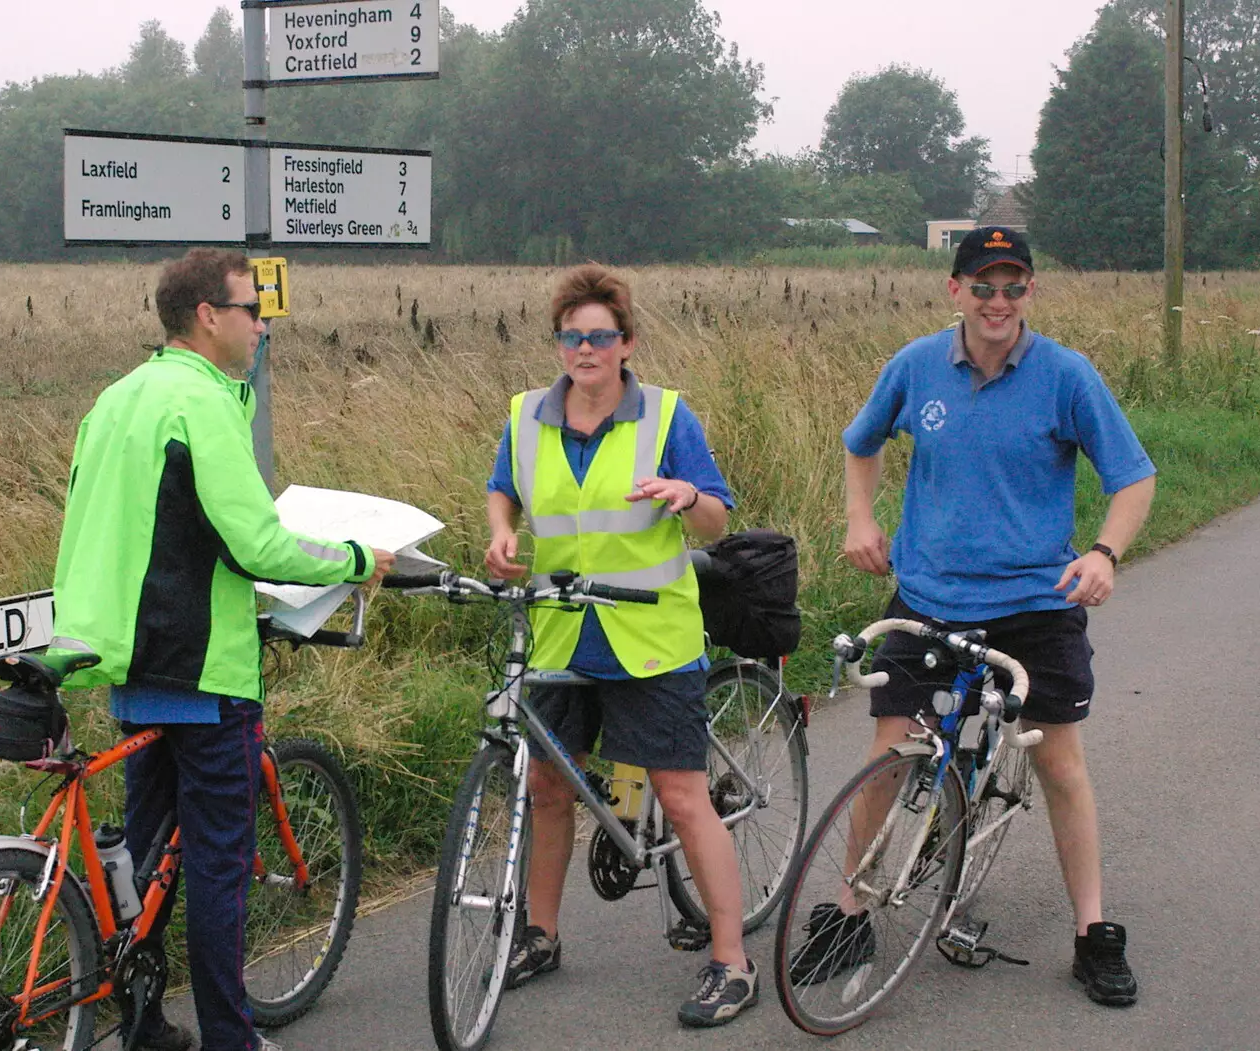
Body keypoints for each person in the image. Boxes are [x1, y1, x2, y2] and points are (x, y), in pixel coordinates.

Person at [794, 226, 1155, 1007]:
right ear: (954, 290)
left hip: (1033, 604)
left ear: (1031, 292)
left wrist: (1104, 553)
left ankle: (1093, 931)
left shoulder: (1065, 375)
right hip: (929, 598)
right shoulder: (917, 365)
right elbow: (861, 443)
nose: (998, 301)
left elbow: (1133, 478)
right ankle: (851, 909)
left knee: (1060, 763)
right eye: (983, 286)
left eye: (1013, 285)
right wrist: (860, 518)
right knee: (889, 753)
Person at [45, 248, 394, 1051]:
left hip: (123, 657)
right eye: (252, 311)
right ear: (209, 315)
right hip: (202, 665)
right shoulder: (202, 402)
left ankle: (143, 1025)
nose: (262, 326)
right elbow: (256, 542)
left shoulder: (117, 398)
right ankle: (233, 1041)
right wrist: (351, 557)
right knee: (217, 871)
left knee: (144, 866)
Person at [482, 263, 757, 1028]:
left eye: (600, 336)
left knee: (681, 795)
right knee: (547, 789)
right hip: (560, 632)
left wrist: (687, 496)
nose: (585, 348)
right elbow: (503, 487)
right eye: (572, 336)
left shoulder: (668, 418)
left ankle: (732, 961)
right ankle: (540, 934)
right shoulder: (527, 415)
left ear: (626, 343)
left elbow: (716, 522)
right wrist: (502, 532)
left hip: (649, 636)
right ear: (560, 343)